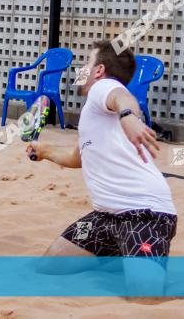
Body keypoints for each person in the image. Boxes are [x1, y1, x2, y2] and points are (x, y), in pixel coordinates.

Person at [29, 40, 176, 294]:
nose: (80, 69)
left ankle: (133, 259)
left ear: (99, 71)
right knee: (50, 266)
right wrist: (45, 152)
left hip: (144, 215)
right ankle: (120, 256)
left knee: (145, 295)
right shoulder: (92, 113)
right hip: (104, 217)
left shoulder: (104, 89)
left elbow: (122, 98)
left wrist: (128, 116)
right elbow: (79, 157)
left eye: (86, 63)